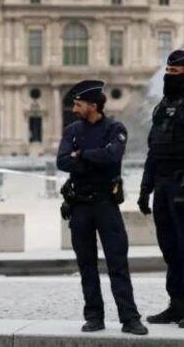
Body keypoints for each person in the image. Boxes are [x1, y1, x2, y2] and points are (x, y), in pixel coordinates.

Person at [56, 80, 147, 335]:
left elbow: (113, 157)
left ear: (93, 105)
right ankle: (94, 316)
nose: (74, 108)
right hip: (80, 206)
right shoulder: (72, 130)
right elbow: (62, 161)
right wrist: (94, 158)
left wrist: (81, 155)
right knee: (86, 265)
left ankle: (130, 318)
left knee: (118, 263)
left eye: (78, 104)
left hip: (106, 206)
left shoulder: (115, 128)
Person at [138, 50, 184, 328]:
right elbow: (153, 148)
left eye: (175, 73)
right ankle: (176, 303)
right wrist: (146, 188)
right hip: (163, 183)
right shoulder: (163, 105)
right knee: (169, 247)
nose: (169, 77)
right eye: (167, 72)